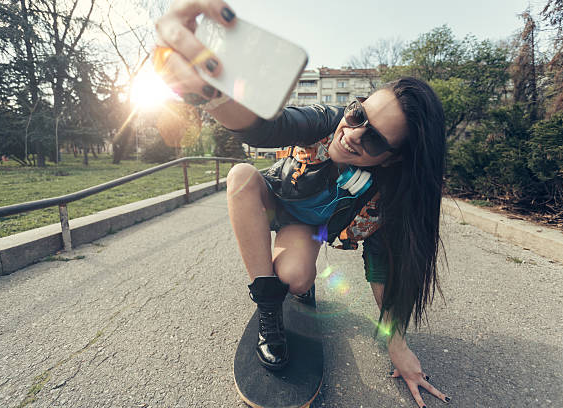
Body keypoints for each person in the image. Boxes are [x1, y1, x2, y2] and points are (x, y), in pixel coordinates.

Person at [154, 1, 451, 406]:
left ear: (393, 158)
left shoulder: (383, 197)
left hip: (304, 227)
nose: (353, 135)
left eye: (375, 139)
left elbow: (380, 266)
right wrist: (205, 91)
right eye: (359, 114)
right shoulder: (326, 121)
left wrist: (395, 343)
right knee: (241, 176)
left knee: (296, 278)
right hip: (271, 199)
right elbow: (267, 127)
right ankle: (268, 310)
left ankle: (292, 284)